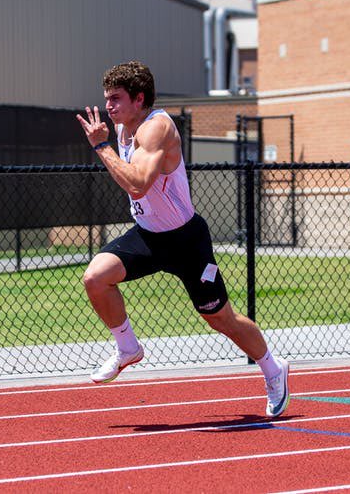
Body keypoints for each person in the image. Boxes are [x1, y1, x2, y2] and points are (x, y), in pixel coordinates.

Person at [76, 61, 290, 418]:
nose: (109, 106)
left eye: (116, 98)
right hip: (148, 236)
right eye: (107, 99)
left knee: (221, 319)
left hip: (185, 240)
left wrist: (102, 147)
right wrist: (109, 141)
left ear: (139, 98)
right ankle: (128, 347)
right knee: (95, 278)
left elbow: (138, 184)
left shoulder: (156, 128)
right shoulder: (121, 126)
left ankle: (273, 369)